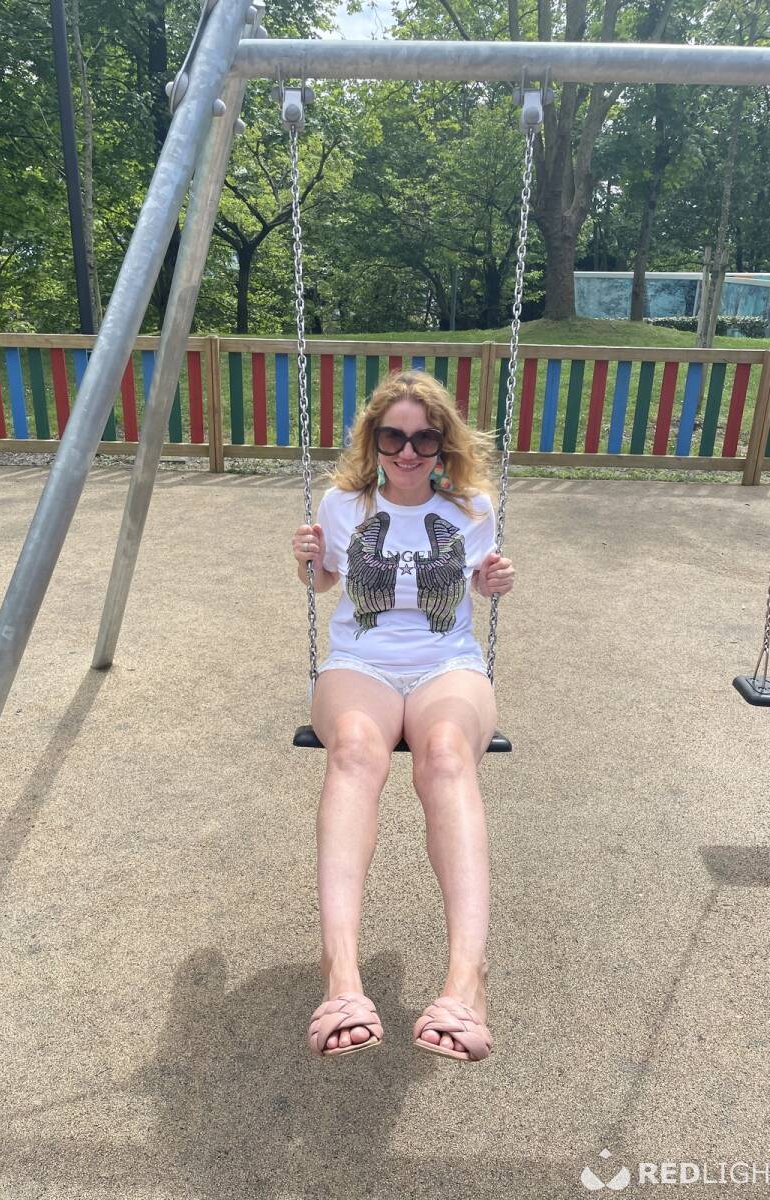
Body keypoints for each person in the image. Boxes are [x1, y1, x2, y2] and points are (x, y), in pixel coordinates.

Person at [292, 370, 515, 1063]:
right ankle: (341, 974)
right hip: (360, 662)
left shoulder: (472, 509)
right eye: (394, 437)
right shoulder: (342, 506)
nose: (409, 452)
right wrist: (308, 565)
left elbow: (479, 581)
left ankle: (467, 979)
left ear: (444, 443)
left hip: (448, 663)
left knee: (445, 754)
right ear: (374, 441)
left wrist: (493, 582)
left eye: (424, 438)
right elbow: (325, 579)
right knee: (355, 750)